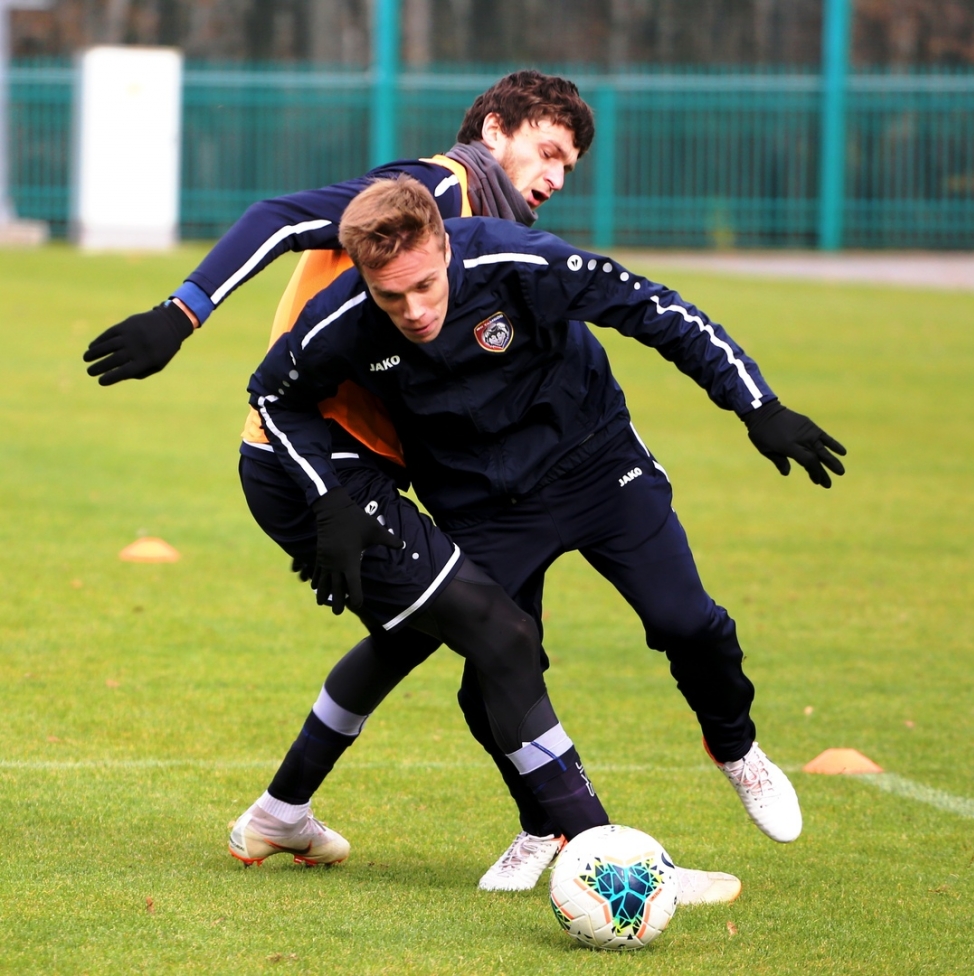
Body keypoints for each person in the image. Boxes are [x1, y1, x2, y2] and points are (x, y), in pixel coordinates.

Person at [83, 71, 746, 901]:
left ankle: (284, 809)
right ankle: (615, 860)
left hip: (354, 467)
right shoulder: (438, 189)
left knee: (421, 632)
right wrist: (182, 311)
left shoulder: (494, 232)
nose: (554, 176)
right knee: (499, 635)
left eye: (568, 166)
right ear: (495, 127)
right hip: (315, 462)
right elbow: (281, 219)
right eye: (546, 150)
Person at [248, 178, 847, 887]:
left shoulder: (522, 263)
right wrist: (330, 502)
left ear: (445, 245)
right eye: (391, 297)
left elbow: (655, 309)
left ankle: (736, 748)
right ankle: (552, 827)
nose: (413, 310)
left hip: (596, 466)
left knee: (687, 621)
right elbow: (271, 394)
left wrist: (756, 405)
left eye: (425, 286)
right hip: (480, 504)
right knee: (495, 671)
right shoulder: (341, 317)